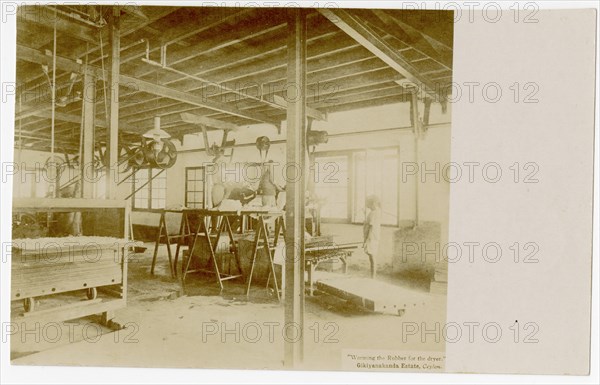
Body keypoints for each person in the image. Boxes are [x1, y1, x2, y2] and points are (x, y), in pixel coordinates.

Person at [363, 195, 381, 279]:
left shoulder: (374, 213)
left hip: (371, 237)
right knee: (372, 256)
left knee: (372, 256)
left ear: (373, 203)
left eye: (368, 204)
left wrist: (365, 239)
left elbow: (370, 227)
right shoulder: (376, 212)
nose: (367, 206)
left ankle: (373, 277)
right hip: (373, 236)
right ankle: (372, 276)